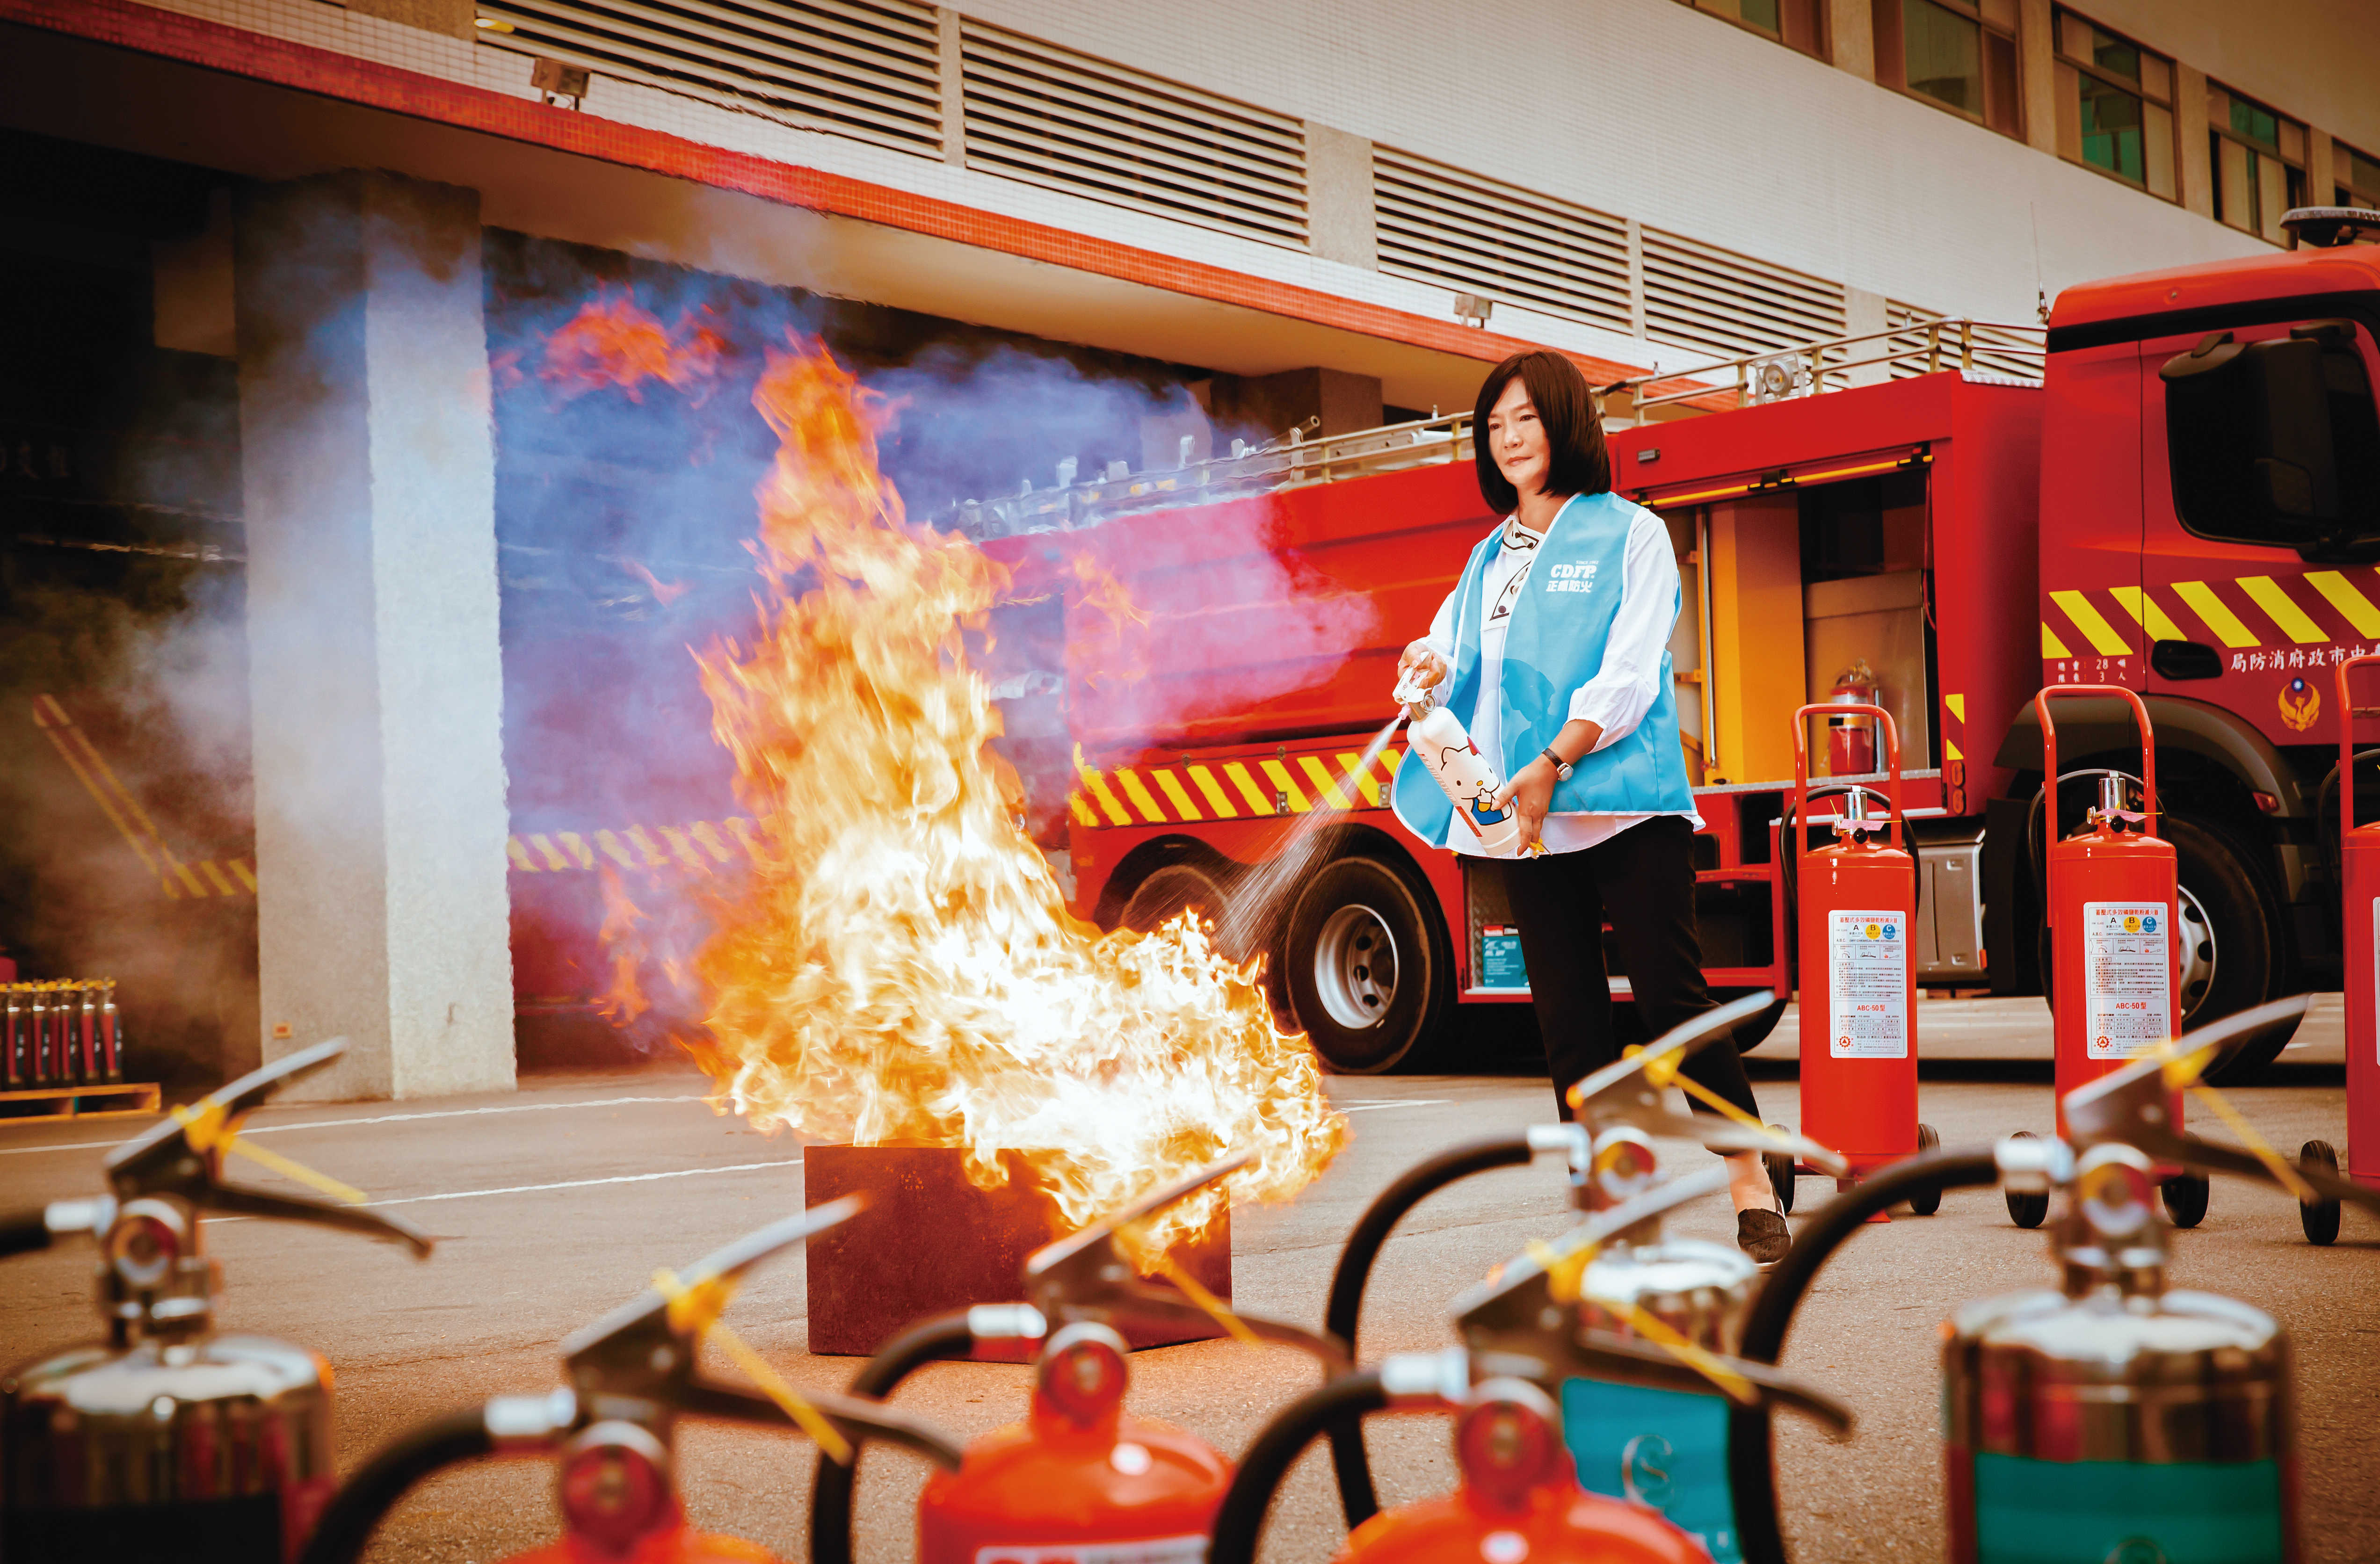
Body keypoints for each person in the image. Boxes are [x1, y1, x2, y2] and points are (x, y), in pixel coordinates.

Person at [1387, 349, 1790, 1264]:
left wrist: (1556, 758)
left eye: (1524, 418)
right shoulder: (1485, 558)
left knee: (1673, 1004)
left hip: (1623, 805)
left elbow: (1632, 670)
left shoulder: (1630, 534)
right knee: (1567, 1018)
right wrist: (1426, 668)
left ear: (1565, 421)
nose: (1509, 439)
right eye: (1494, 428)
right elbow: (1451, 652)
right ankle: (1612, 1193)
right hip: (1528, 820)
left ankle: (1748, 1183)